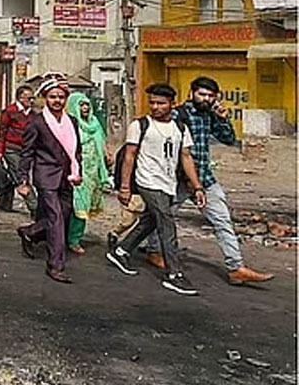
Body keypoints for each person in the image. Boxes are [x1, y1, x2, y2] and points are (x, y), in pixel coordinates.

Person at [171, 77, 273, 285]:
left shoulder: (210, 116)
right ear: (192, 93)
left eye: (210, 96)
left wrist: (223, 119)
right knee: (160, 218)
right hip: (177, 180)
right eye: (202, 94)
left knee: (223, 221)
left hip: (205, 180)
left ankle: (236, 268)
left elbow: (228, 139)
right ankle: (152, 251)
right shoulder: (177, 115)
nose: (206, 99)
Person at [105, 83, 204, 296]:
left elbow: (185, 157)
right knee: (166, 223)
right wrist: (124, 187)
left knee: (151, 220)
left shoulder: (180, 128)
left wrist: (197, 186)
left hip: (168, 182)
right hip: (147, 181)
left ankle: (121, 250)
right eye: (152, 102)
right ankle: (174, 274)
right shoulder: (140, 125)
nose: (156, 107)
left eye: (161, 103)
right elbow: (130, 156)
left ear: (172, 104)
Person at [14, 78, 83, 283]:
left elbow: (76, 151)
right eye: (53, 97)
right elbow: (26, 153)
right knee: (56, 220)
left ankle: (30, 232)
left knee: (65, 216)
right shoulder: (37, 123)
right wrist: (23, 180)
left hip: (67, 177)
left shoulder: (72, 121)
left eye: (61, 97)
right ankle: (55, 266)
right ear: (45, 98)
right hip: (46, 177)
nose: (57, 101)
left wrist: (79, 171)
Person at [65, 92, 110, 255]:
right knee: (75, 206)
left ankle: (74, 238)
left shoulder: (95, 123)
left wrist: (106, 157)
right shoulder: (68, 124)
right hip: (75, 171)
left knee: (83, 208)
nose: (85, 108)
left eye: (86, 104)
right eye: (81, 104)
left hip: (92, 173)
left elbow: (102, 143)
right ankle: (69, 238)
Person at [0, 85, 35, 213]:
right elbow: (2, 132)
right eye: (29, 98)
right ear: (21, 98)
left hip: (27, 150)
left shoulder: (33, 114)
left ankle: (4, 203)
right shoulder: (10, 111)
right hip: (11, 148)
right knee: (20, 176)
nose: (32, 101)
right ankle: (35, 207)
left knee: (12, 175)